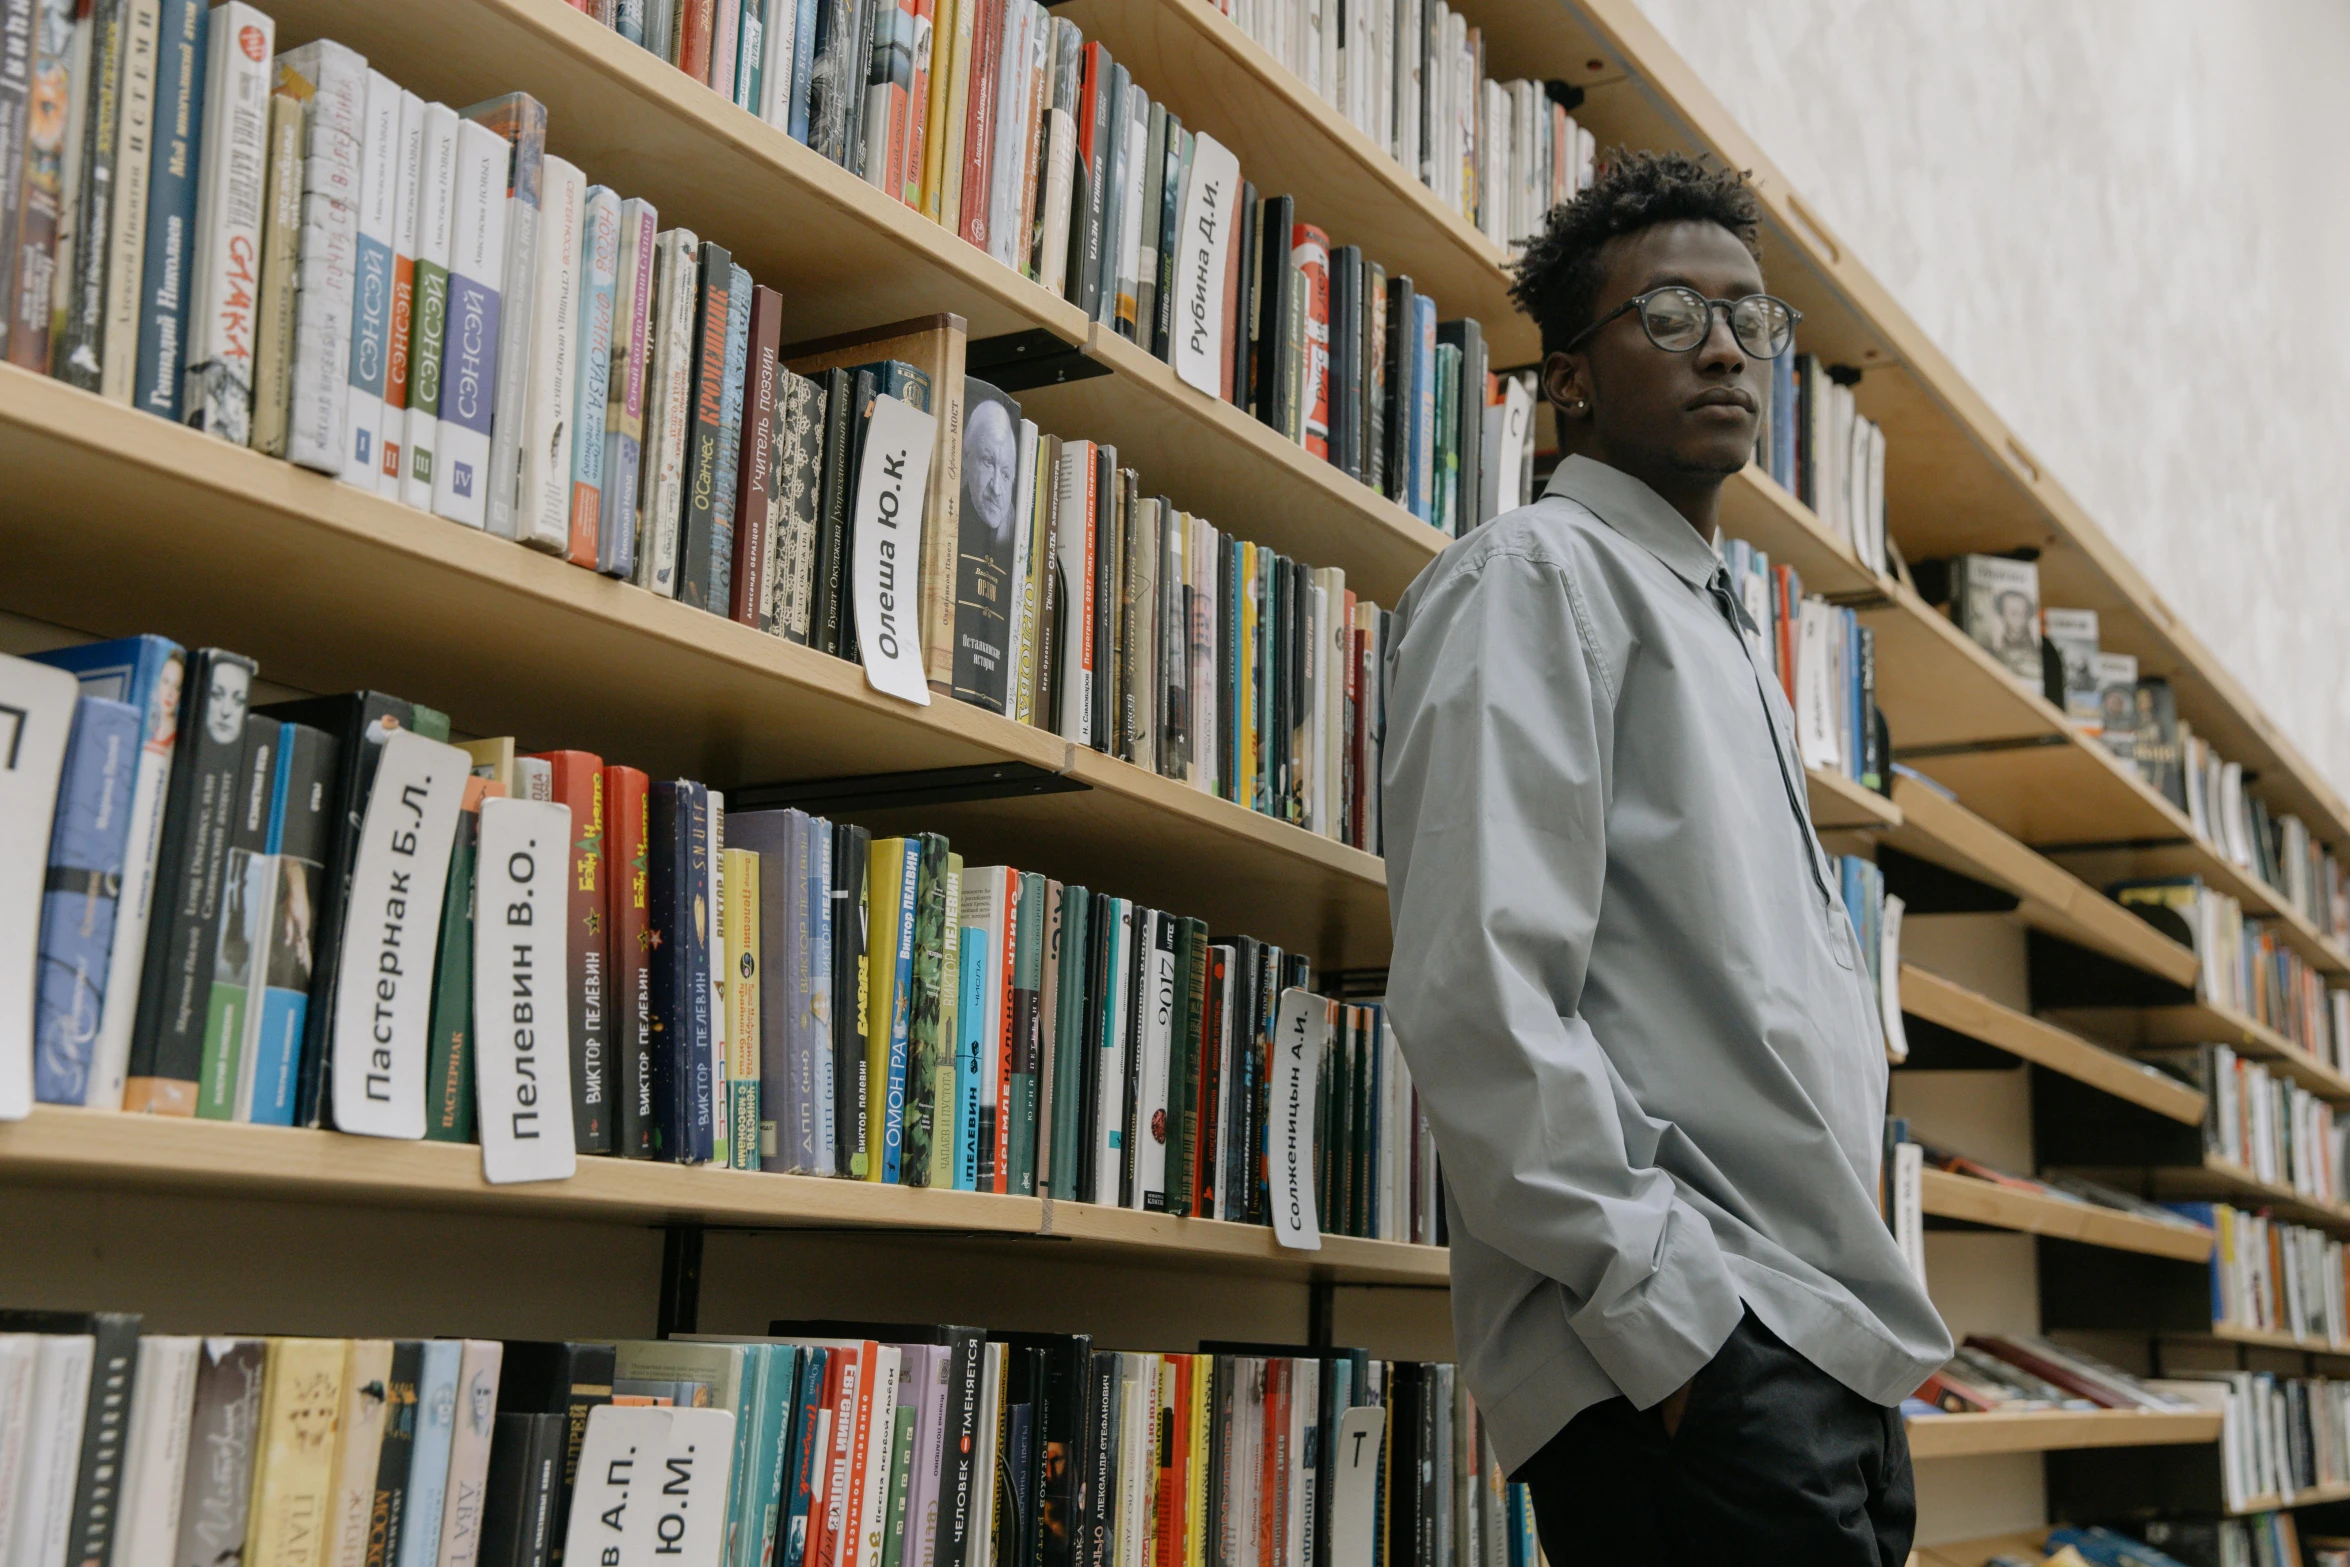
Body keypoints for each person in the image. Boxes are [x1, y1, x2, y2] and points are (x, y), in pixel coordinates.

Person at [1379, 150, 1951, 1566]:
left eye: (1750, 319)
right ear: (1567, 380)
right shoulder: (1537, 574)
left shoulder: (1717, 621)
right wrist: (1679, 1331)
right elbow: (1480, 992)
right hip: (1694, 1356)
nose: (1725, 349)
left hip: (1825, 1338)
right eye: (1672, 316)